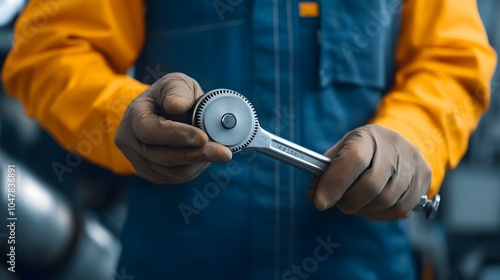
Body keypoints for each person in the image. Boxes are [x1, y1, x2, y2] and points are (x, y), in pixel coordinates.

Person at [2, 0, 496, 279]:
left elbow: (452, 62)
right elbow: (47, 51)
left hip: (361, 265)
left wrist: (411, 139)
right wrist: (120, 116)